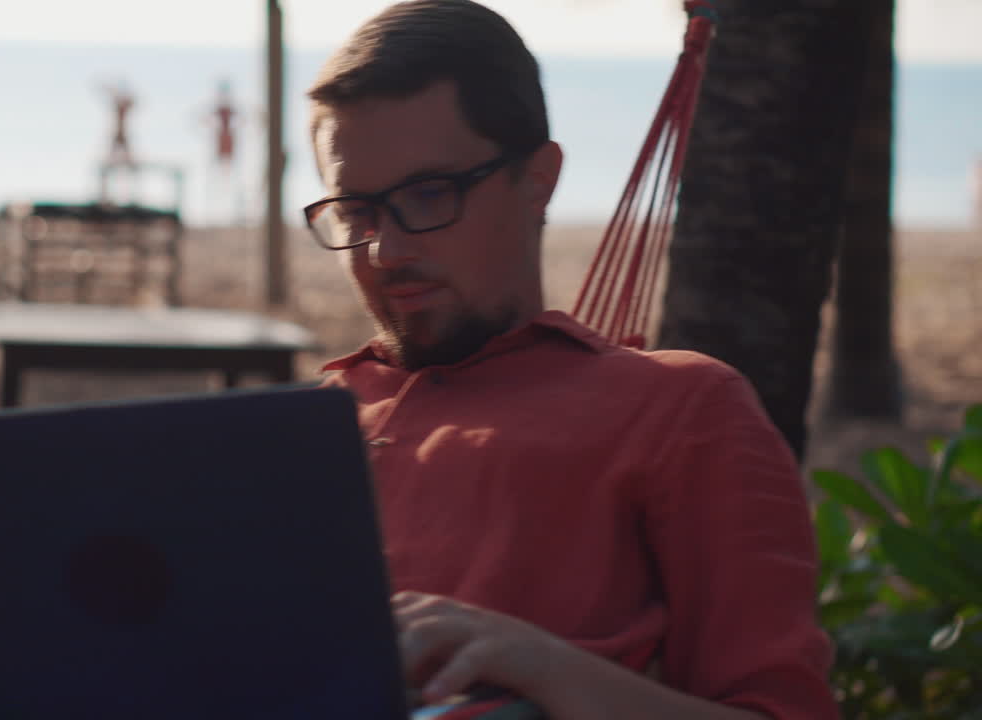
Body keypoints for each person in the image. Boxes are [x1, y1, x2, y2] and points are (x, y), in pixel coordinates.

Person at [303, 2, 837, 718]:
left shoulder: (679, 410)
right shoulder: (310, 421)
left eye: (430, 194)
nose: (387, 252)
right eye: (356, 212)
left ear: (539, 180)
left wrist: (535, 663)